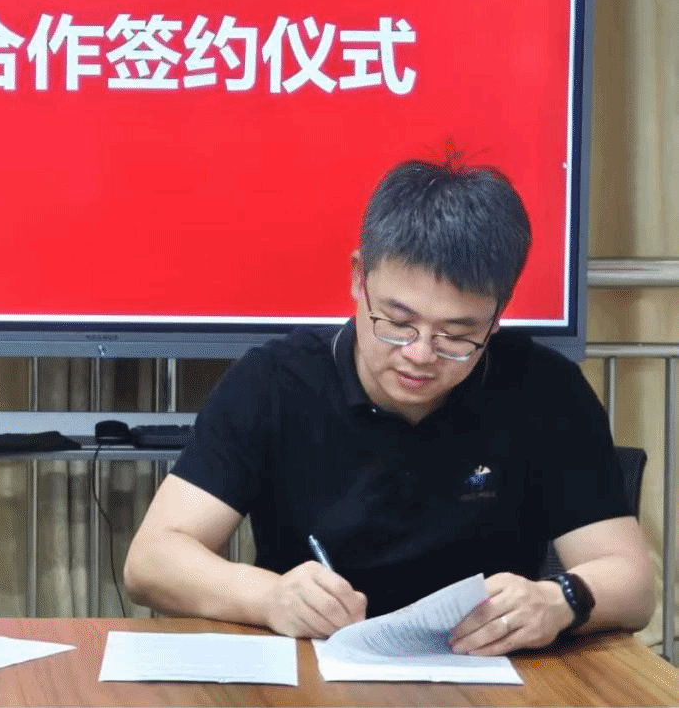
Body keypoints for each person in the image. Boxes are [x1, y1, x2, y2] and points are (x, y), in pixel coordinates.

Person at [124, 157, 654, 654]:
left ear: (497, 317)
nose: (420, 355)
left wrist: (560, 599)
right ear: (360, 278)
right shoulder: (275, 383)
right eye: (398, 323)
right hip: (312, 672)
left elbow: (633, 583)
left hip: (482, 675)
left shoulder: (545, 390)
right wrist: (268, 596)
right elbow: (151, 561)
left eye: (456, 335)